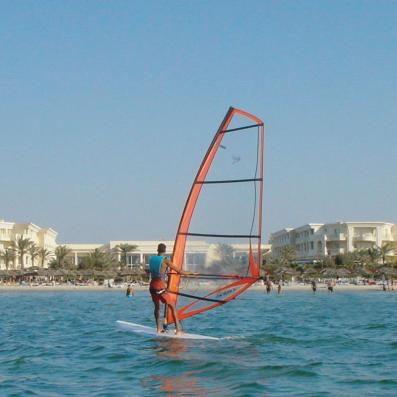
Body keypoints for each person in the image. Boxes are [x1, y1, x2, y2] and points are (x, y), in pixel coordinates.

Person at [149, 243, 186, 335]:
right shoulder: (165, 261)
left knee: (157, 308)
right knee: (172, 306)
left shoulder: (151, 259)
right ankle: (178, 330)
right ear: (165, 251)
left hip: (152, 286)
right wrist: (191, 273)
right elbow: (180, 271)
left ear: (157, 249)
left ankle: (158, 329)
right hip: (160, 286)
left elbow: (151, 270)